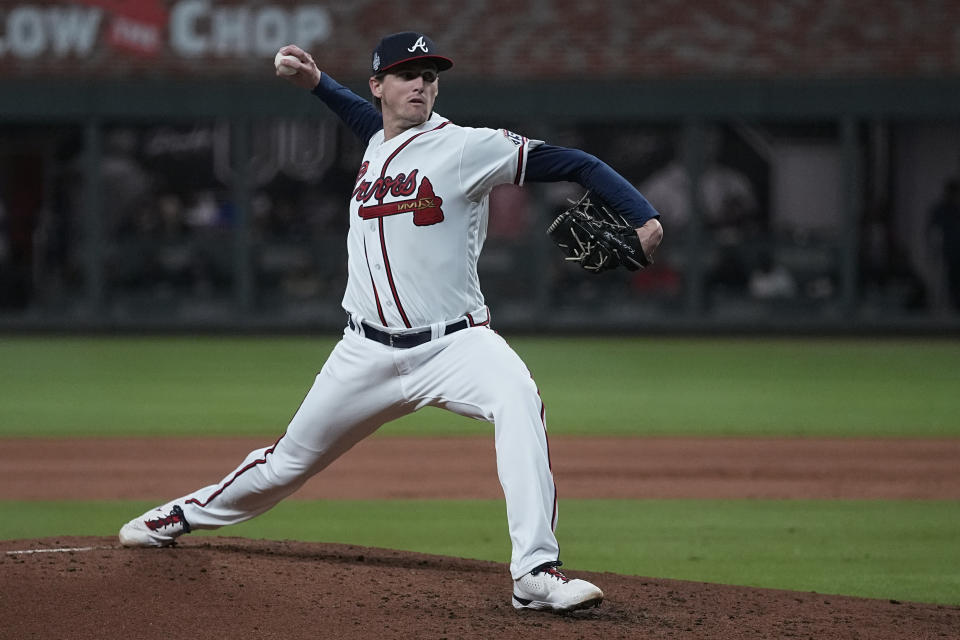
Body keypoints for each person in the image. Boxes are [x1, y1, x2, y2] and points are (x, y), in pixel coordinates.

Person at [118, 32, 663, 613]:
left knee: (520, 400)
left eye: (430, 75)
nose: (421, 84)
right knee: (285, 464)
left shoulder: (466, 147)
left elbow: (576, 162)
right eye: (407, 74)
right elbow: (366, 122)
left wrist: (644, 217)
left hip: (457, 344)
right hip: (365, 352)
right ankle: (179, 514)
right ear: (379, 86)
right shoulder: (377, 142)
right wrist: (319, 84)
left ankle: (535, 571)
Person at [928, 178, 960, 311]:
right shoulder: (941, 210)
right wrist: (933, 250)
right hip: (950, 251)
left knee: (954, 282)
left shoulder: (955, 210)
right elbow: (931, 231)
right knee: (950, 282)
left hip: (954, 250)